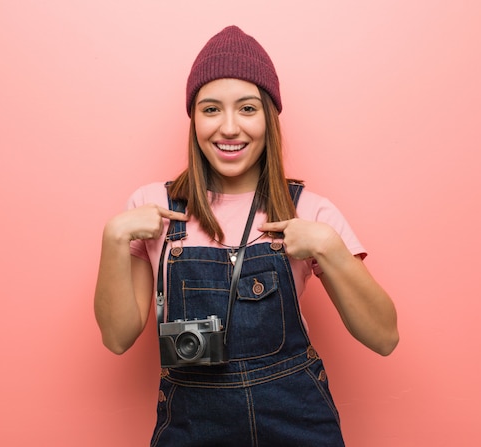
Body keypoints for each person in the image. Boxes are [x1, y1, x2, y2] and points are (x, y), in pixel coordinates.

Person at [94, 25, 399, 446]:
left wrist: (329, 247)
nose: (230, 128)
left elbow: (384, 338)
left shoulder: (310, 210)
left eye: (248, 109)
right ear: (194, 118)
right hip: (191, 429)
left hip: (299, 423)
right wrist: (113, 239)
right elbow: (117, 338)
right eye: (211, 109)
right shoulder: (154, 209)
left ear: (269, 118)